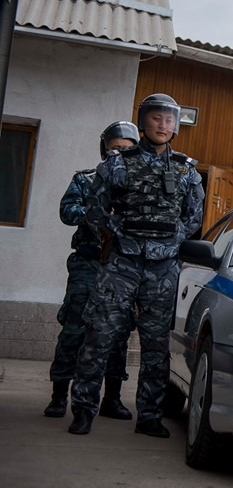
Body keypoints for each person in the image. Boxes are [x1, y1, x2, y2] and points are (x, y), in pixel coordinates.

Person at [68, 93, 204, 438]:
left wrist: (169, 242)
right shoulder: (117, 164)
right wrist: (118, 234)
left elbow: (193, 218)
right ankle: (83, 410)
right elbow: (95, 212)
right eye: (156, 118)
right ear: (144, 122)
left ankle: (150, 417)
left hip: (163, 269)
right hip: (121, 263)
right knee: (98, 336)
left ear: (176, 126)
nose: (163, 125)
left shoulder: (186, 170)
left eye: (169, 120)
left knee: (156, 345)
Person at [44, 121, 140, 419]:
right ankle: (59, 396)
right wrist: (95, 213)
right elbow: (67, 211)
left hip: (121, 267)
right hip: (88, 264)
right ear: (104, 149)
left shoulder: (140, 185)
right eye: (114, 148)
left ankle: (111, 399)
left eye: (125, 150)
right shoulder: (86, 180)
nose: (118, 154)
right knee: (74, 329)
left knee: (118, 334)